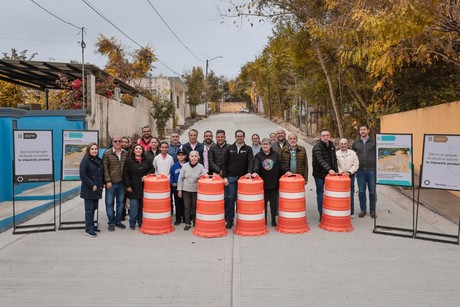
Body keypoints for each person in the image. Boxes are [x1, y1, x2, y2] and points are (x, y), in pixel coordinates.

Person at [252, 138, 292, 226]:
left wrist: (287, 171)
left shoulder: (276, 155)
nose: (265, 146)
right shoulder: (258, 155)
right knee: (263, 204)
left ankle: (273, 219)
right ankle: (264, 219)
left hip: (274, 183)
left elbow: (282, 164)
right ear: (261, 145)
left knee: (274, 204)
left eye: (267, 144)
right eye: (263, 144)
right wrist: (254, 172)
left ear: (270, 145)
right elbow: (256, 165)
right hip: (263, 185)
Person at [222, 129, 254, 229]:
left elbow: (250, 161)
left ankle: (242, 219)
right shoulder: (229, 148)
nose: (239, 138)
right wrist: (224, 177)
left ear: (244, 137)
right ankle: (230, 220)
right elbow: (224, 163)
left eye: (241, 136)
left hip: (243, 178)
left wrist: (249, 172)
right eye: (238, 136)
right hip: (231, 177)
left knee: (242, 200)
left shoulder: (248, 149)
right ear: (235, 137)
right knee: (230, 199)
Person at [123, 144, 155, 230]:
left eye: (140, 149)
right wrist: (128, 185)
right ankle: (132, 223)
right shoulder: (129, 160)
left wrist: (146, 175)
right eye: (136, 148)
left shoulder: (147, 160)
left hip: (144, 186)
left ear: (142, 150)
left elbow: (152, 170)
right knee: (134, 205)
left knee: (142, 206)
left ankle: (140, 222)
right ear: (133, 150)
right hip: (133, 186)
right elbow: (125, 173)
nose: (138, 150)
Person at [102, 135, 129, 231]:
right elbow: (104, 168)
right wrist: (107, 181)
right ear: (112, 142)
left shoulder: (126, 153)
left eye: (119, 141)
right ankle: (111, 222)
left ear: (122, 142)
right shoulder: (107, 153)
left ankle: (118, 221)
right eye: (115, 141)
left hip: (122, 183)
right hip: (111, 183)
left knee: (120, 203)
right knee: (109, 203)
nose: (118, 143)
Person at [177, 151, 207, 231]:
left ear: (198, 158)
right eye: (192, 156)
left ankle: (195, 222)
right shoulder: (185, 166)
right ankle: (187, 223)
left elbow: (205, 176)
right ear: (189, 157)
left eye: (195, 156)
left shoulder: (201, 166)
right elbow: (180, 178)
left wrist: (201, 176)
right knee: (187, 206)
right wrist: (179, 190)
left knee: (195, 206)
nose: (194, 158)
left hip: (196, 189)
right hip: (186, 189)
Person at [312, 129, 338, 221]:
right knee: (320, 194)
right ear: (320, 137)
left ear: (329, 136)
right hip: (319, 175)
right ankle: (321, 213)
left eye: (327, 135)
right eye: (323, 135)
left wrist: (336, 171)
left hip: (330, 175)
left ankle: (330, 212)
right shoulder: (317, 147)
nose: (325, 137)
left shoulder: (331, 145)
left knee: (331, 194)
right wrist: (329, 169)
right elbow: (320, 160)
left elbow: (334, 159)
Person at [79, 142, 104, 238]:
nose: (94, 150)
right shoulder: (85, 160)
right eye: (92, 149)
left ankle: (92, 226)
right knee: (89, 210)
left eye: (96, 149)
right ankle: (88, 229)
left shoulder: (98, 160)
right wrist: (91, 184)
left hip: (97, 189)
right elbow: (82, 175)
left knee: (93, 208)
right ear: (88, 150)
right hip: (89, 189)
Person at [352, 124, 377, 218]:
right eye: (361, 130)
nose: (362, 131)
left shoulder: (374, 142)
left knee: (372, 191)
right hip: (360, 171)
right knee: (361, 191)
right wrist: (353, 169)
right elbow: (353, 157)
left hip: (371, 170)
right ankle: (363, 210)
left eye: (364, 129)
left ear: (368, 130)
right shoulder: (356, 143)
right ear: (359, 131)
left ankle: (372, 210)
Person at [336, 138, 359, 217]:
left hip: (350, 176)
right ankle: (341, 211)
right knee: (340, 195)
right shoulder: (336, 154)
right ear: (339, 145)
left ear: (348, 144)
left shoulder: (352, 153)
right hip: (340, 176)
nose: (343, 145)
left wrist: (349, 172)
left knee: (350, 194)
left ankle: (351, 212)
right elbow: (336, 165)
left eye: (345, 143)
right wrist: (341, 172)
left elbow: (356, 164)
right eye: (341, 144)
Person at [170, 149, 187, 225]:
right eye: (179, 155)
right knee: (177, 203)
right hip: (176, 187)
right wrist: (172, 182)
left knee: (185, 203)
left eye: (182, 155)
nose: (181, 156)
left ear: (185, 156)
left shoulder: (187, 165)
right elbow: (171, 175)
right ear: (177, 156)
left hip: (185, 187)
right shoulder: (174, 166)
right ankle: (178, 219)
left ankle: (185, 218)